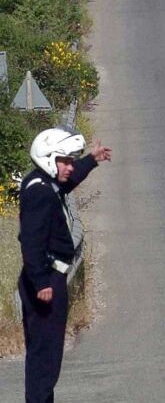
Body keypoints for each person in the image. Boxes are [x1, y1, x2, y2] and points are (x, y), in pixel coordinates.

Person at [19, 127, 111, 403]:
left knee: (45, 355)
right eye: (65, 161)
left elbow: (66, 183)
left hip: (47, 278)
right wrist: (41, 282)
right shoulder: (41, 193)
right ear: (48, 158)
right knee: (45, 360)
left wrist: (91, 160)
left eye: (72, 161)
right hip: (46, 280)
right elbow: (31, 241)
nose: (70, 167)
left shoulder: (42, 183)